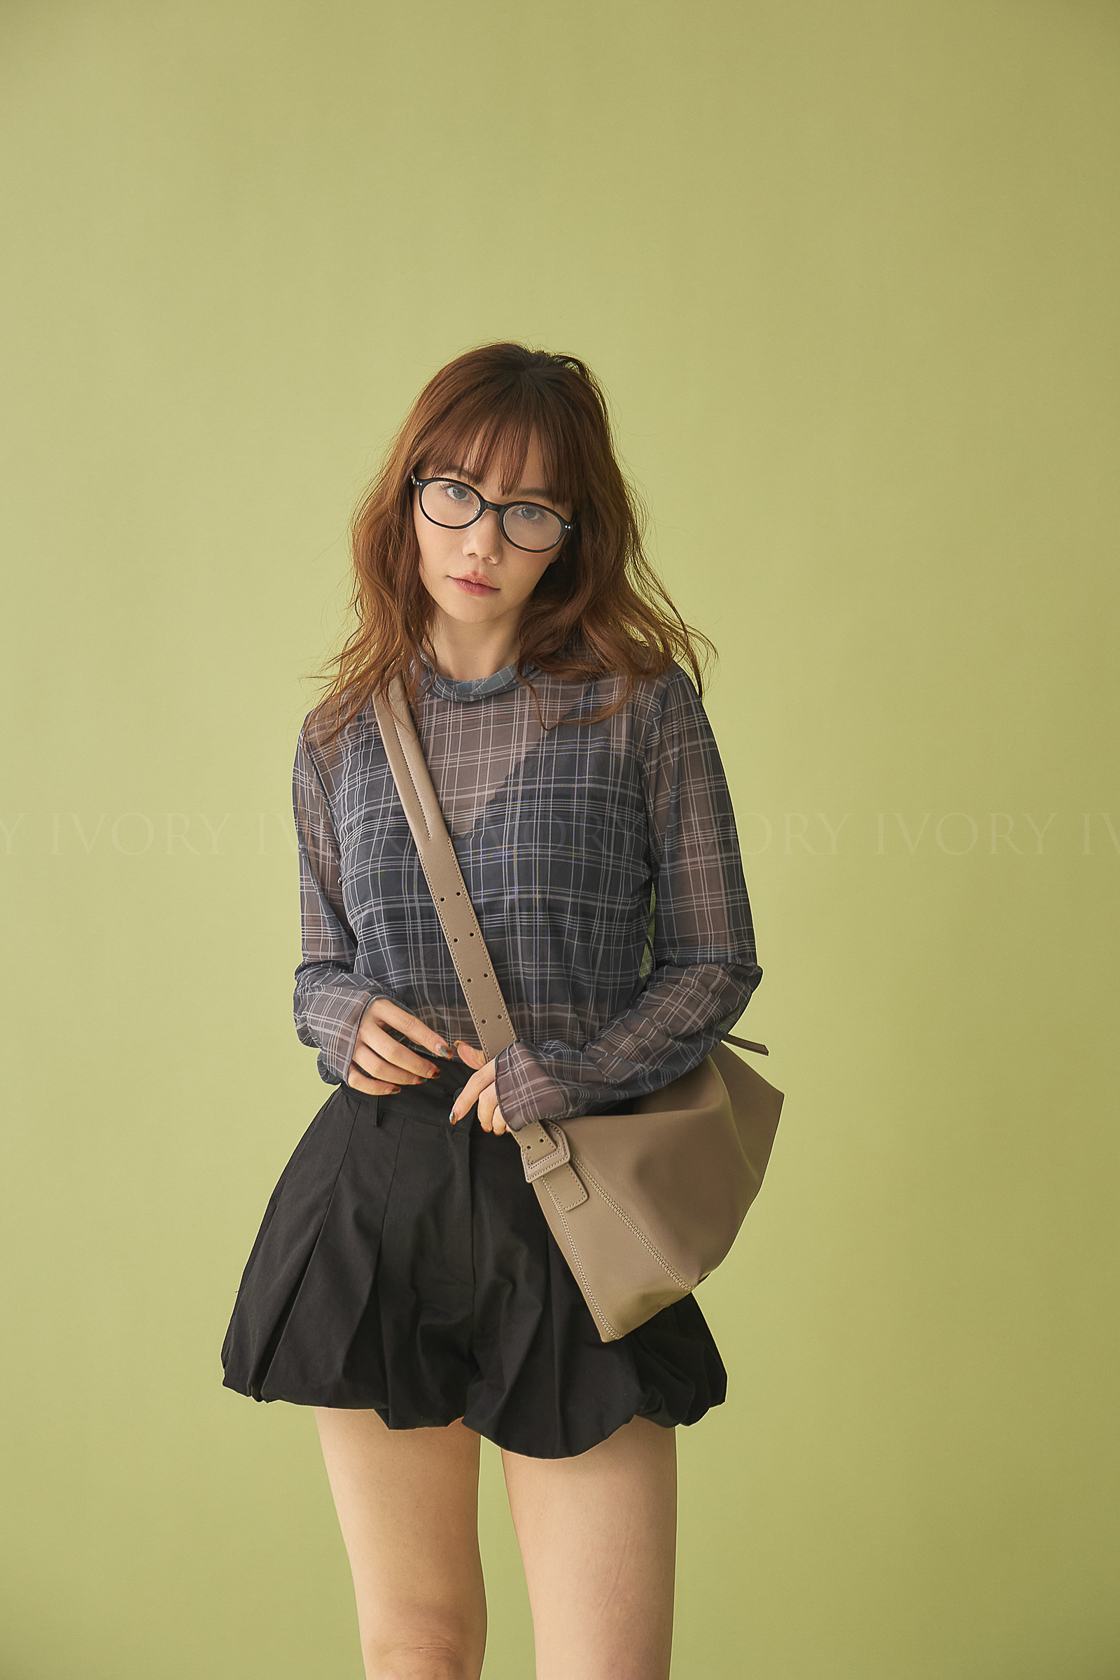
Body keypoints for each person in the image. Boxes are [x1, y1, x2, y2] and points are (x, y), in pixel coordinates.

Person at [221, 342, 762, 1680]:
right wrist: (341, 1018)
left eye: (528, 511)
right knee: (416, 1645)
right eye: (455, 493)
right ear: (408, 496)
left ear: (572, 535)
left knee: (607, 1666)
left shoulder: (640, 709)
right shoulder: (340, 734)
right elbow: (317, 967)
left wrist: (570, 1071)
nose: (481, 539)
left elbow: (715, 961)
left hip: (570, 1201)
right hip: (379, 1197)